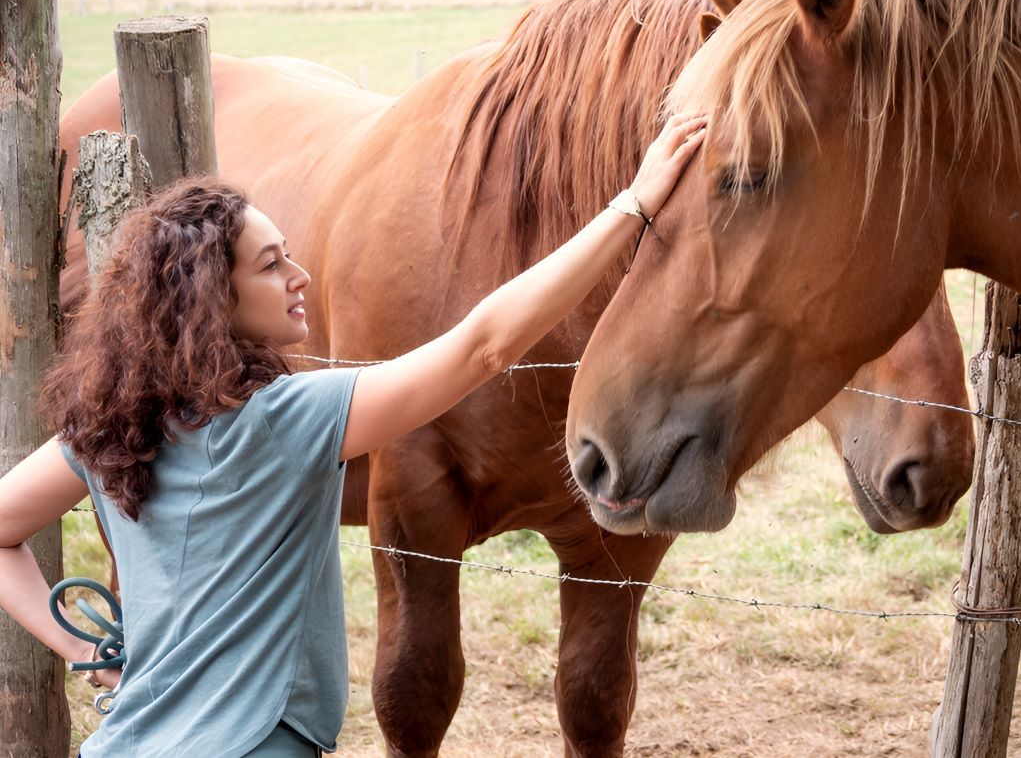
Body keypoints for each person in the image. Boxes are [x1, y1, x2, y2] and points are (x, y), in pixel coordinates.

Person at [0, 113, 707, 757]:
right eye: (273, 265)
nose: (299, 276)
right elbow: (482, 347)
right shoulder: (290, 419)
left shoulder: (107, 426)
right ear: (215, 300)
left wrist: (89, 651)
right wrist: (632, 205)